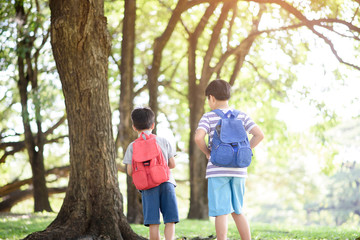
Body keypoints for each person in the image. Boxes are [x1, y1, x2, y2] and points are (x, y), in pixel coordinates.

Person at [194, 79, 264, 240]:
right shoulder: (242, 115)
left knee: (221, 211)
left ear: (211, 98)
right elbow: (259, 134)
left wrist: (207, 153)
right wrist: (243, 150)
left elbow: (199, 137)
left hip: (217, 169)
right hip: (239, 170)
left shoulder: (208, 117)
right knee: (238, 209)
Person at [123, 107, 179, 240]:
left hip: (147, 186)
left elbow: (130, 171)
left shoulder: (132, 146)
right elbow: (172, 164)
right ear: (153, 125)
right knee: (170, 220)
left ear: (134, 127)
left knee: (153, 222)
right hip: (167, 182)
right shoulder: (164, 141)